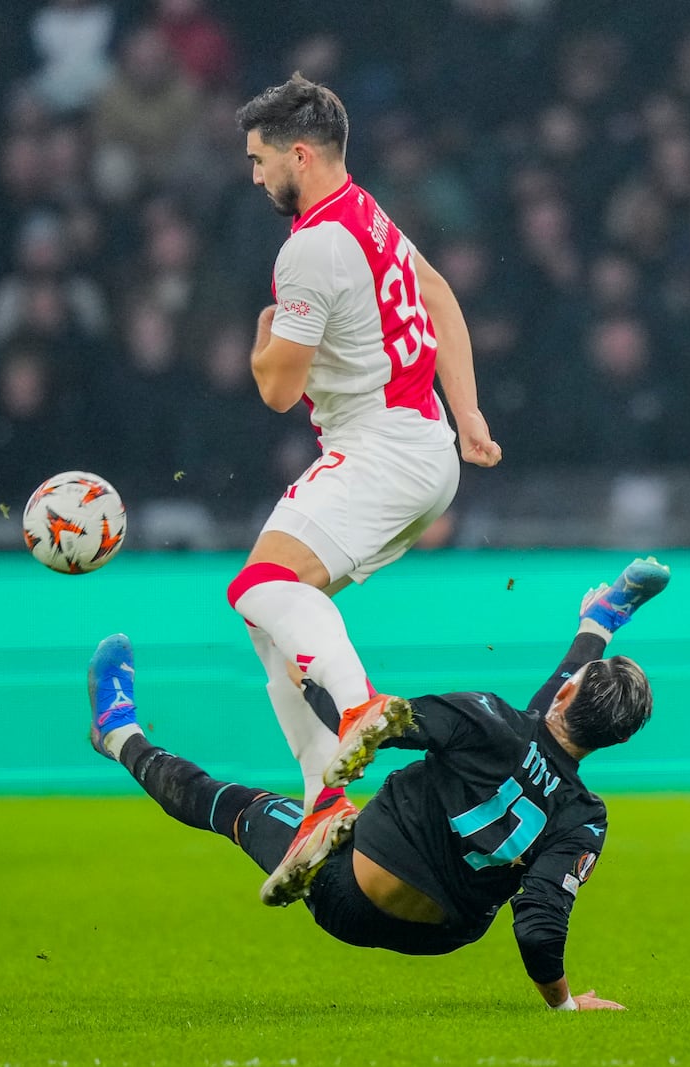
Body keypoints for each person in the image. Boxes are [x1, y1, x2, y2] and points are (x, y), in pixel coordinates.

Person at [88, 557, 670, 1009]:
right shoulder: (586, 818)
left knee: (235, 806)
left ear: (568, 690)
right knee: (525, 738)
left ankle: (117, 732)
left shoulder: (489, 717)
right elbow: (539, 925)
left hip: (351, 890)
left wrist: (310, 684)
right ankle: (601, 619)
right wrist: (563, 1004)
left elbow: (374, 729)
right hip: (444, 935)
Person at [224, 74, 502, 903]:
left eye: (258, 159)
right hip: (421, 445)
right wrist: (472, 413)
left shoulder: (308, 248)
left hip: (381, 447)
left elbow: (276, 390)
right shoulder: (368, 212)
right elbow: (442, 294)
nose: (253, 176)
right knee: (270, 622)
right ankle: (324, 799)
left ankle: (358, 706)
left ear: (298, 155)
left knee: (258, 584)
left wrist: (263, 335)